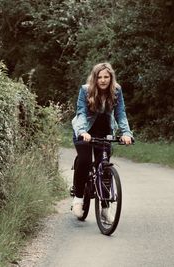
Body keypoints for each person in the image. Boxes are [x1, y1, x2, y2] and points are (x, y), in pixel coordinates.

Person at [71, 62, 133, 222]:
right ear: (95, 78)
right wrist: (83, 132)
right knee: (85, 161)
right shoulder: (85, 90)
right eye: (100, 77)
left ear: (111, 78)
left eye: (106, 77)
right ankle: (78, 199)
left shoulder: (116, 90)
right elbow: (81, 113)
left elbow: (121, 114)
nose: (103, 80)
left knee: (104, 168)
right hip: (85, 130)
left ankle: (105, 209)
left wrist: (126, 133)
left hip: (104, 131)